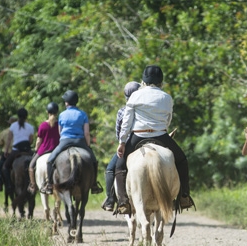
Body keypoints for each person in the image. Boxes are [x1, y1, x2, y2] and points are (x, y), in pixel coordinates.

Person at [115, 65, 195, 215]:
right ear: (161, 81)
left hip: (138, 135)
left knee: (119, 166)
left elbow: (126, 122)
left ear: (143, 80)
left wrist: (122, 142)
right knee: (182, 160)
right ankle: (184, 196)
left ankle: (123, 201)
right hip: (161, 136)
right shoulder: (166, 97)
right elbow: (168, 119)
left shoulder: (135, 96)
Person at [40, 90, 103, 195]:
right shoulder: (83, 114)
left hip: (65, 141)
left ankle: (49, 185)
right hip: (80, 141)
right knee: (93, 160)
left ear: (66, 102)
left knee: (50, 161)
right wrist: (87, 145)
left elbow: (60, 132)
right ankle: (94, 185)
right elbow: (87, 133)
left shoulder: (62, 115)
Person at [102, 81, 141, 212]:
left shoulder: (122, 111)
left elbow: (118, 134)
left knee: (110, 169)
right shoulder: (144, 110)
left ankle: (110, 199)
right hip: (144, 142)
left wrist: (122, 143)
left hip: (128, 146)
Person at [27, 102, 60, 194]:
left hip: (44, 150)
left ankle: (33, 186)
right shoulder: (59, 124)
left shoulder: (43, 125)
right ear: (57, 112)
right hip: (57, 150)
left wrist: (36, 149)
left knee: (31, 166)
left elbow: (38, 141)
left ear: (47, 112)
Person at [2, 108, 35, 193]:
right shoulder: (30, 127)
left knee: (5, 167)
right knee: (36, 164)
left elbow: (9, 140)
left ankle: (9, 185)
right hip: (27, 150)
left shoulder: (13, 126)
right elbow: (31, 141)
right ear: (26, 116)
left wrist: (6, 151)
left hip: (16, 150)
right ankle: (35, 184)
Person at [0, 115, 17, 192]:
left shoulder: (4, 132)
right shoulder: (20, 131)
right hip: (19, 153)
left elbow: (0, 143)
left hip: (8, 154)